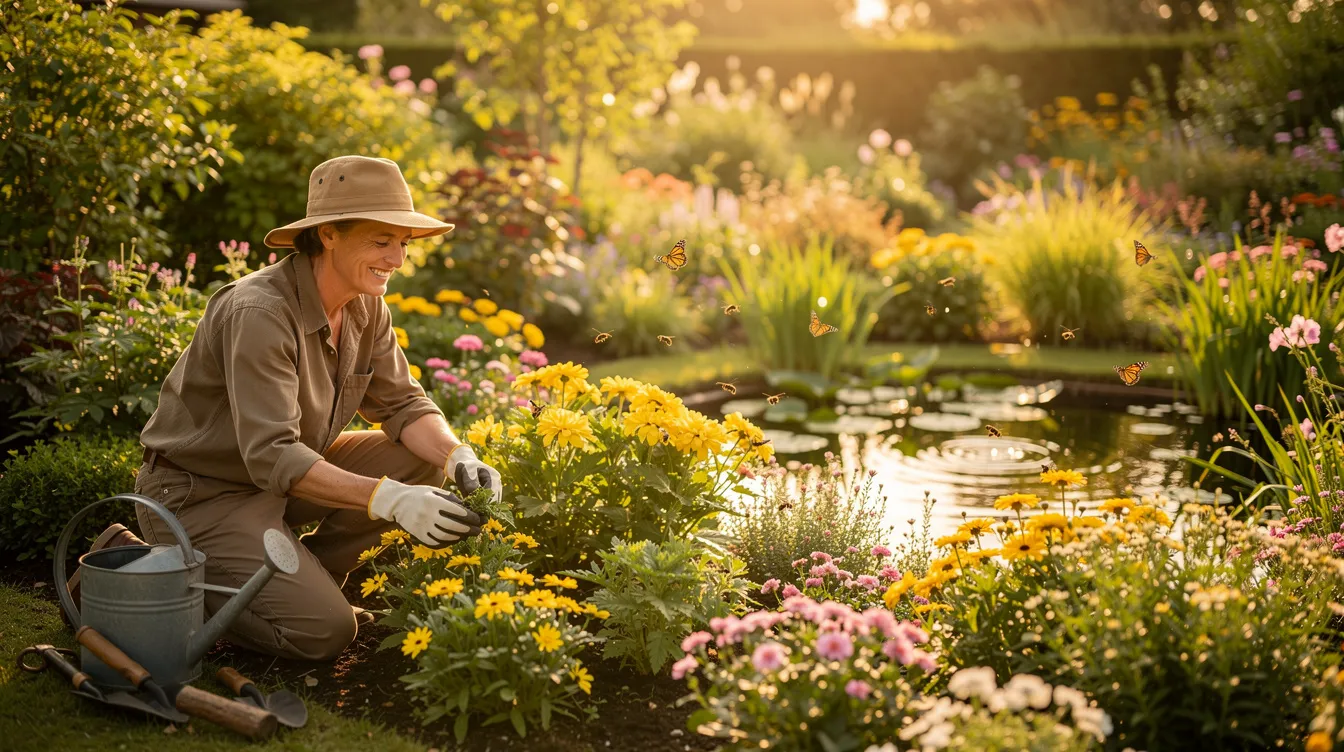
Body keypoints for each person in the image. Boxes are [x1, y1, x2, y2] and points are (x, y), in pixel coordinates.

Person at [66, 155, 503, 660]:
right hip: (204, 494)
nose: (397, 259)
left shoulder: (367, 306)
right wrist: (392, 500)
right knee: (326, 634)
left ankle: (308, 581)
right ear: (329, 234)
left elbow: (405, 404)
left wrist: (458, 454)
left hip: (281, 479)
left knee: (421, 457)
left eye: (402, 243)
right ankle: (142, 575)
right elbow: (273, 455)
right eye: (381, 241)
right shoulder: (260, 312)